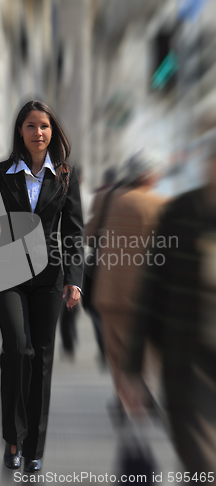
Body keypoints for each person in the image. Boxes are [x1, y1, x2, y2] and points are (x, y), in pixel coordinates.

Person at [0, 100, 84, 472]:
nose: (39, 132)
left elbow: (74, 232)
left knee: (43, 362)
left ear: (53, 132)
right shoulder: (0, 172)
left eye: (45, 126)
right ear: (20, 130)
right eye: (31, 125)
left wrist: (75, 280)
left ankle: (34, 447)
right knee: (19, 351)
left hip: (50, 279)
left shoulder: (66, 174)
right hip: (7, 275)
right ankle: (13, 439)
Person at [121, 141, 216, 480]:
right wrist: (134, 370)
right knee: (200, 462)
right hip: (186, 364)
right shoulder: (179, 213)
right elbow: (151, 291)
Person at [91, 150, 165, 404]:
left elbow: (89, 236)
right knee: (149, 349)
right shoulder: (160, 204)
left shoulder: (105, 197)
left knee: (116, 349)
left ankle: (124, 398)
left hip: (109, 290)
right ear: (151, 175)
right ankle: (144, 394)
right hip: (147, 294)